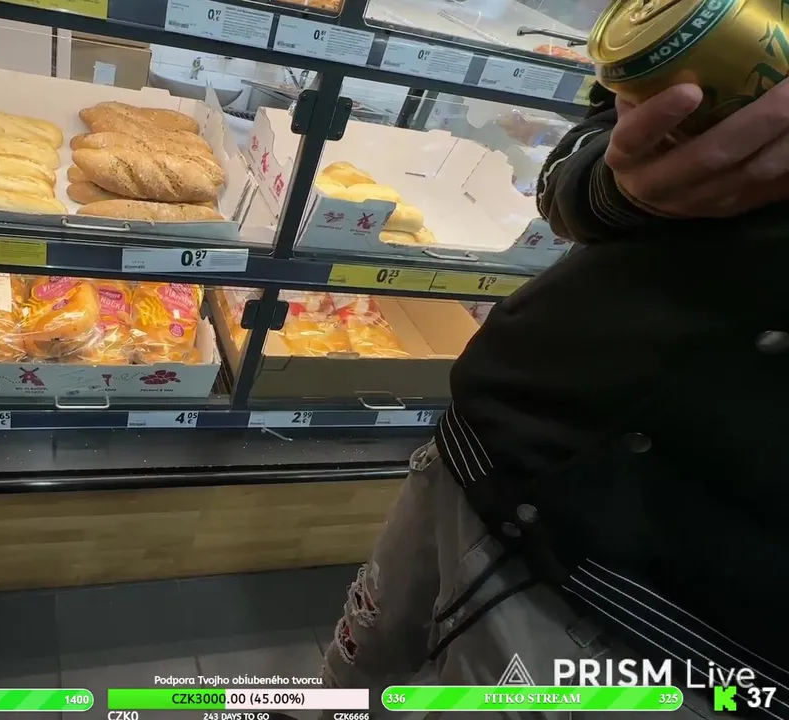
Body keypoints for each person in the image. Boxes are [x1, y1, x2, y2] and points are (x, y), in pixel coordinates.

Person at [320, 79, 789, 719]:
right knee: (357, 666)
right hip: (493, 441)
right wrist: (615, 184)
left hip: (683, 621)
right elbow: (592, 138)